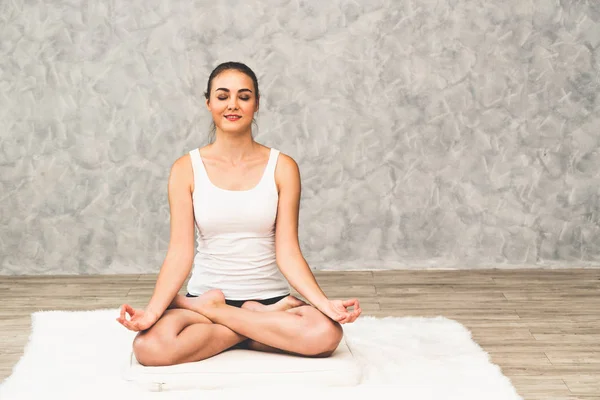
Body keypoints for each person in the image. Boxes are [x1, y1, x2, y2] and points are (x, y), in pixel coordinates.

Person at [116, 61, 361, 367]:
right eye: (222, 96)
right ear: (209, 103)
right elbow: (180, 252)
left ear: (256, 104)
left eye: (244, 96)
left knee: (326, 335)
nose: (233, 104)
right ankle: (253, 326)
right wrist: (154, 310)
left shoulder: (283, 167)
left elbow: (288, 251)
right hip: (202, 300)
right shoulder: (185, 169)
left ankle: (223, 315)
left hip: (268, 301)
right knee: (150, 349)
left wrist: (324, 304)